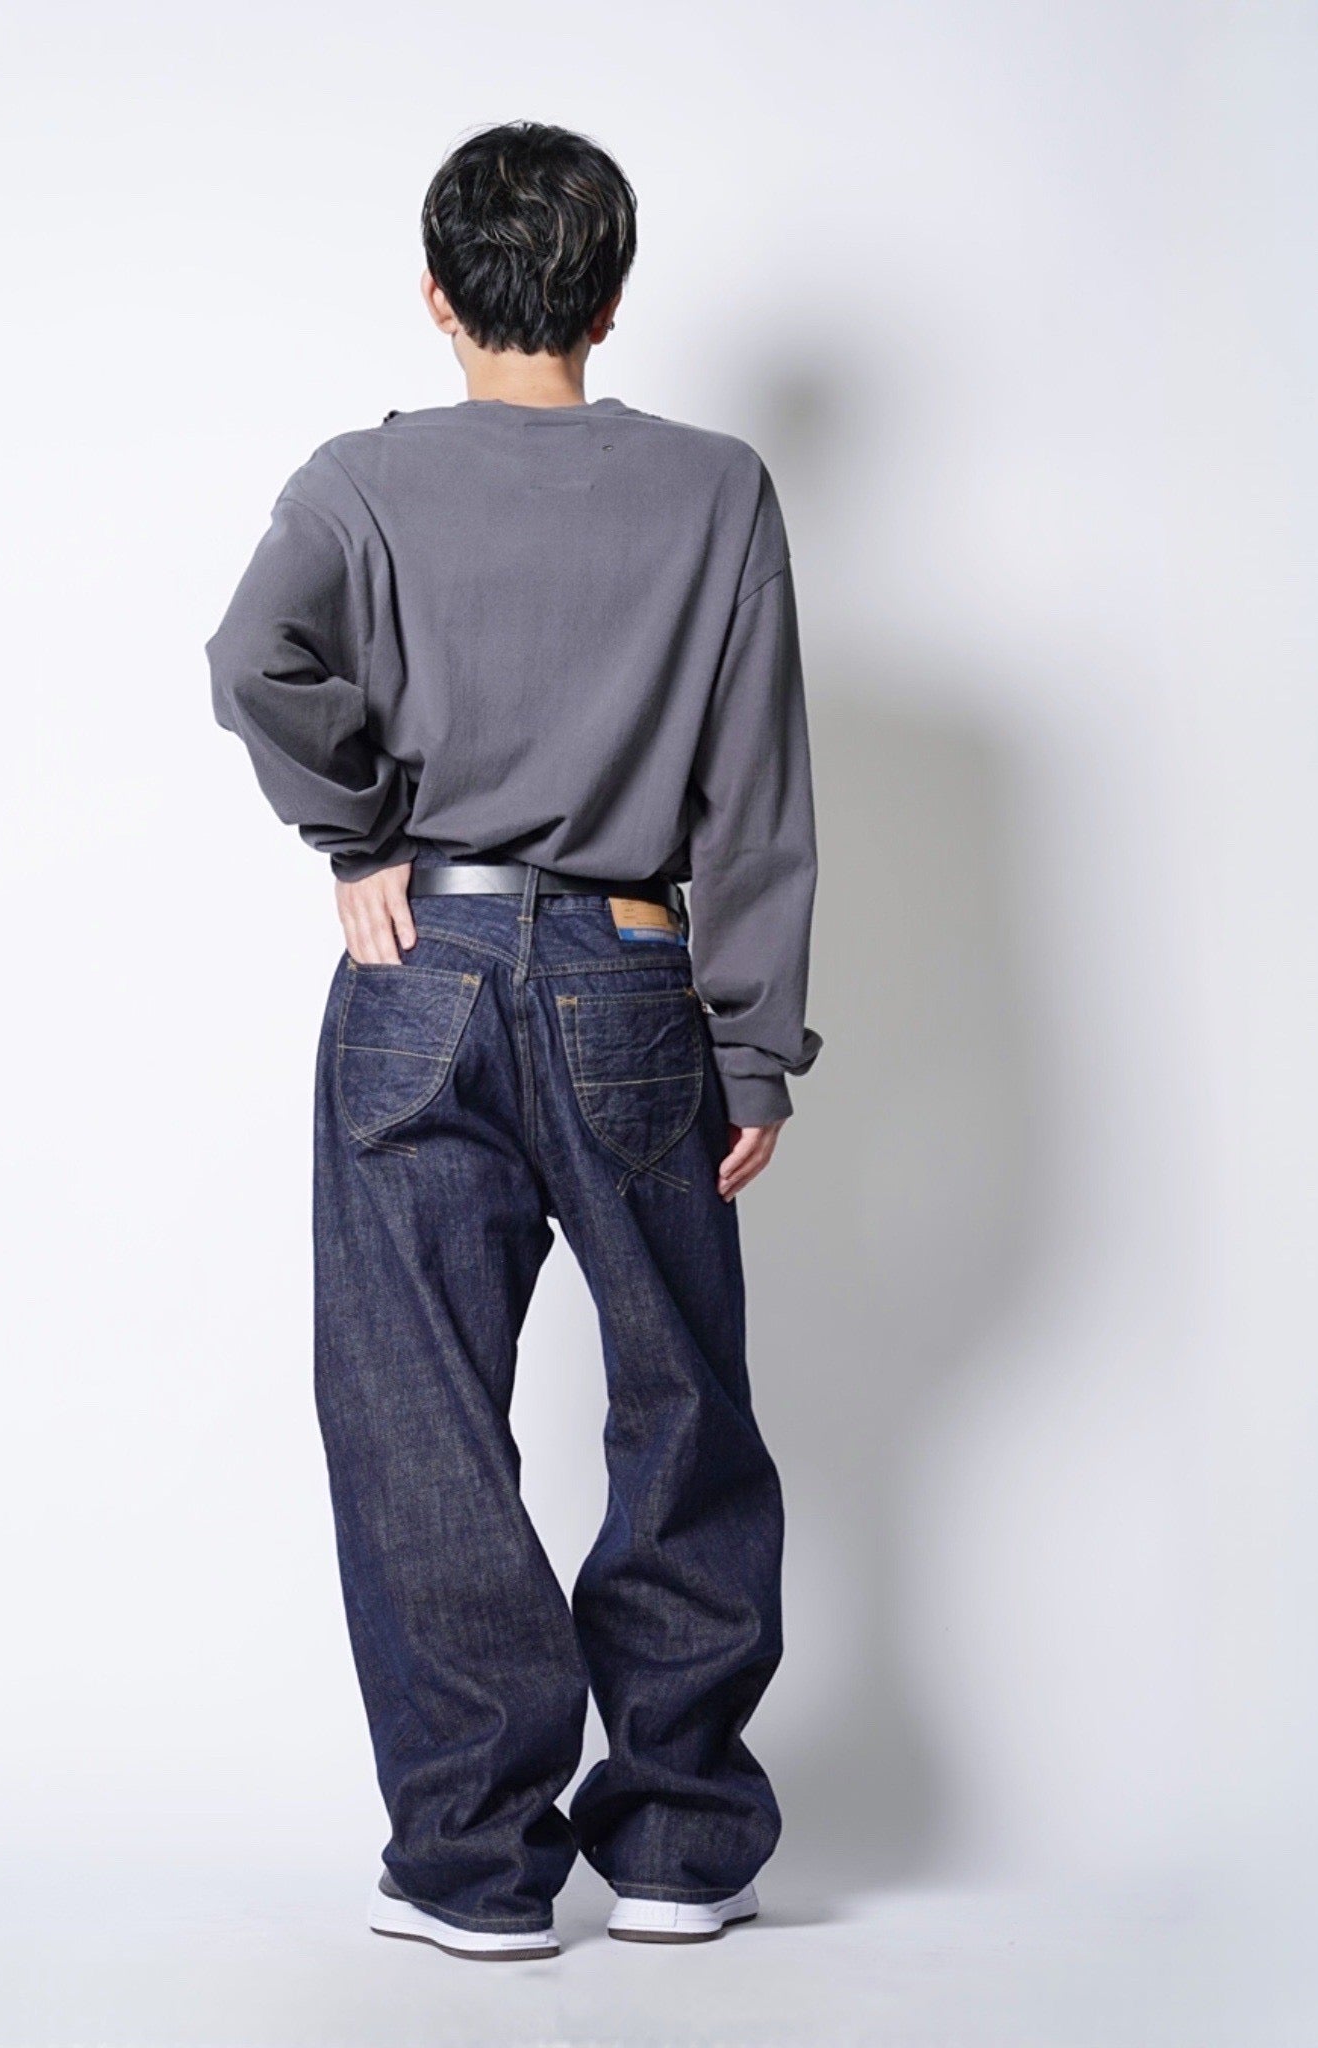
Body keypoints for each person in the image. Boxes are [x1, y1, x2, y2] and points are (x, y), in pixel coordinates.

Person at [206, 120, 821, 1961]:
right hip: (635, 975)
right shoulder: (717, 491)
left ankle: (473, 1865)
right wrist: (754, 1042)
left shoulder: (359, 484)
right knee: (682, 1404)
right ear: (609, 301)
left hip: (423, 968)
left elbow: (252, 661)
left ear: (435, 294)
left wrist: (364, 833)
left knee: (417, 1411)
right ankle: (682, 1846)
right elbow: (755, 792)